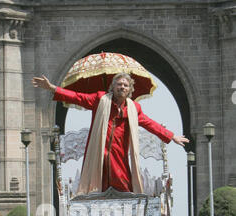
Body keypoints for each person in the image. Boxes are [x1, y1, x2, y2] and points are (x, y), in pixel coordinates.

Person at [32, 73, 189, 195]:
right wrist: (52, 88)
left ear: (130, 89)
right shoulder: (100, 99)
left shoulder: (133, 108)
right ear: (112, 87)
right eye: (119, 84)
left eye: (125, 85)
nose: (122, 87)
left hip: (119, 154)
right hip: (99, 153)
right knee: (97, 186)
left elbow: (150, 123)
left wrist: (171, 136)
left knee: (122, 184)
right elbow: (77, 97)